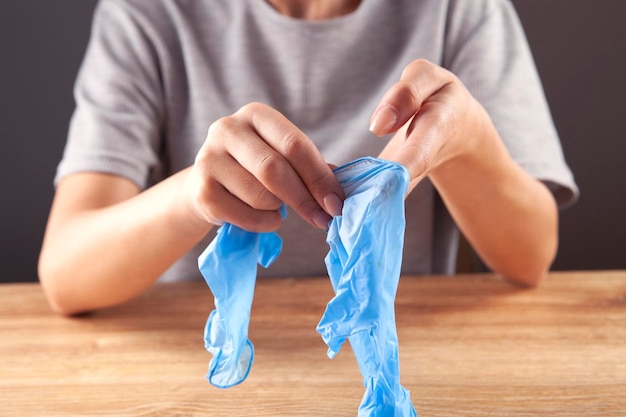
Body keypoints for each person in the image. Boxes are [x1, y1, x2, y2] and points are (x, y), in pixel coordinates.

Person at [38, 0, 578, 316]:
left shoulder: (460, 10)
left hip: (409, 346)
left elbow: (530, 255)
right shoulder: (148, 14)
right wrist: (191, 196)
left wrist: (468, 140)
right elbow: (64, 272)